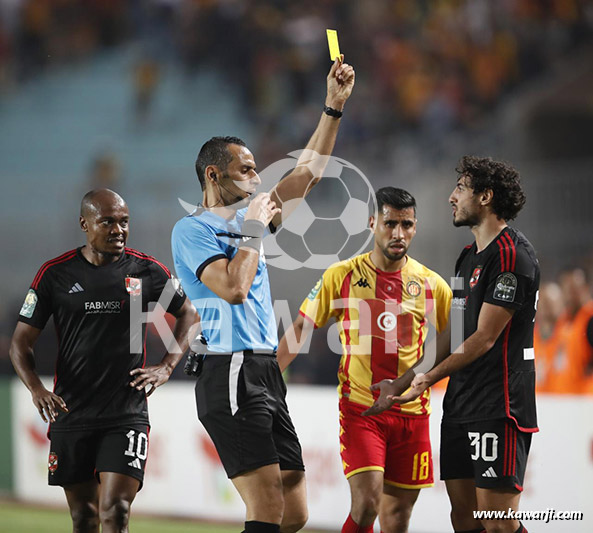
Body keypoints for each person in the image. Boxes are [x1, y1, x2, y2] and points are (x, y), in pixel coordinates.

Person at [171, 57, 355, 533]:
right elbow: (233, 288)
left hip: (264, 368)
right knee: (268, 503)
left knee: (295, 508)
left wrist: (332, 108)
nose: (258, 177)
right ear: (214, 176)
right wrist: (254, 228)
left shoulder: (246, 222)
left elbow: (308, 174)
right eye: (247, 169)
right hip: (230, 367)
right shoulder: (192, 230)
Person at [9, 189, 198, 533]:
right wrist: (36, 389)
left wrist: (167, 366)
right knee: (84, 516)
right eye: (107, 221)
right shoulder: (55, 274)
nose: (119, 230)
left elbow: (189, 314)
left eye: (124, 222)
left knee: (116, 511)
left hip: (125, 411)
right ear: (84, 223)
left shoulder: (147, 271)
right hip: (72, 410)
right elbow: (20, 344)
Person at [368, 156, 540, 533]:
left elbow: (483, 338)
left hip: (500, 405)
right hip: (461, 404)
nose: (451, 197)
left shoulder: (512, 256)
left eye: (460, 188)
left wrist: (428, 380)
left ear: (485, 197)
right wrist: (402, 382)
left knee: (497, 523)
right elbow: (455, 332)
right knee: (464, 519)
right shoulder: (466, 258)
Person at [277, 187, 452, 533]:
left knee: (398, 516)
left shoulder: (432, 285)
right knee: (368, 502)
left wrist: (433, 379)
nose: (398, 233)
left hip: (412, 414)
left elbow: (457, 339)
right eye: (390, 224)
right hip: (361, 409)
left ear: (415, 227)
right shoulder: (340, 275)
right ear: (373, 223)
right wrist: (266, 379)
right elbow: (300, 326)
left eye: (406, 225)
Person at [553, 267, 593, 394]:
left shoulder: (590, 319)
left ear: (586, 288)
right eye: (567, 289)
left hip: (585, 400)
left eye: (574, 289)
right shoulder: (562, 321)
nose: (570, 294)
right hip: (563, 399)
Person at [533, 281, 568, 393]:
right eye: (543, 302)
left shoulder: (571, 334)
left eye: (551, 303)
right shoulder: (529, 339)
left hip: (572, 403)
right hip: (539, 402)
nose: (547, 308)